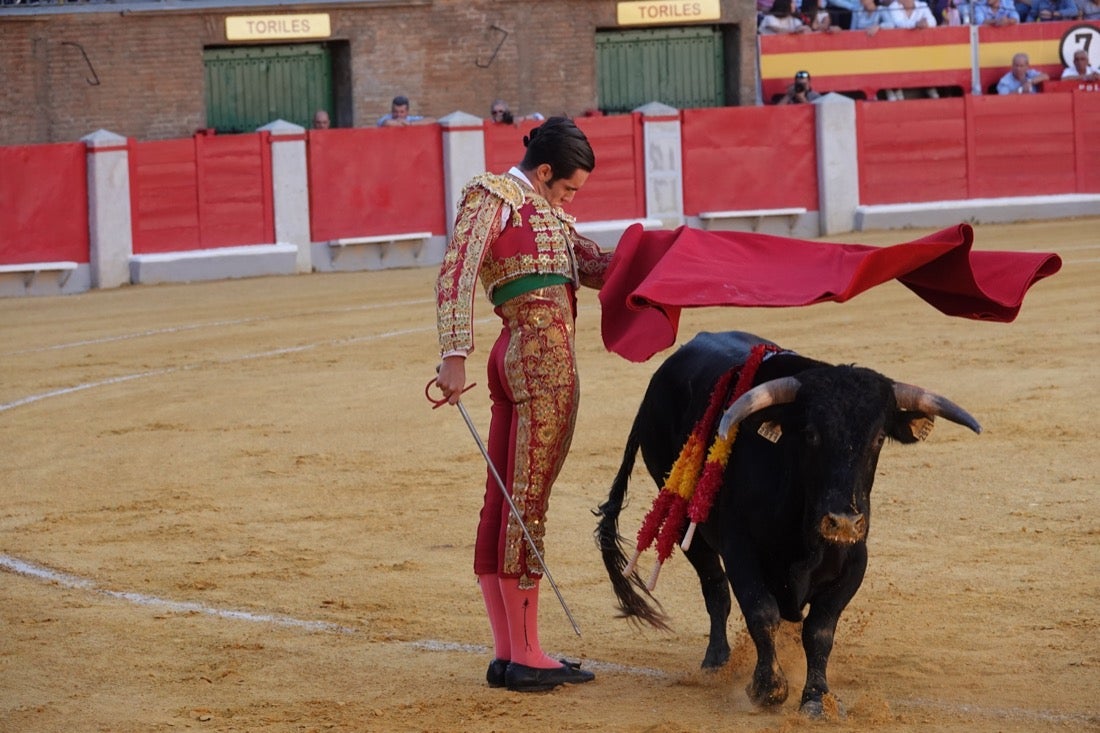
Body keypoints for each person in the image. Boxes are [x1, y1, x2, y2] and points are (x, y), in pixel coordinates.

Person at [434, 117, 611, 693]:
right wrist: (453, 352)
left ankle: (510, 652)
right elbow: (457, 271)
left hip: (517, 354)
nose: (569, 200)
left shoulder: (540, 211)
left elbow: (596, 266)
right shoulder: (497, 194)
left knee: (504, 498)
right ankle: (528, 651)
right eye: (567, 189)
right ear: (543, 172)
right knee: (525, 500)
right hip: (541, 358)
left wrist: (667, 261)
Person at [885, 0, 940, 100]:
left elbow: (933, 21)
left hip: (921, 47)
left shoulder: (922, 5)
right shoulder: (893, 6)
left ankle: (930, 86)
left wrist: (926, 23)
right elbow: (899, 23)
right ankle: (897, 89)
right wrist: (916, 24)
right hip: (899, 47)